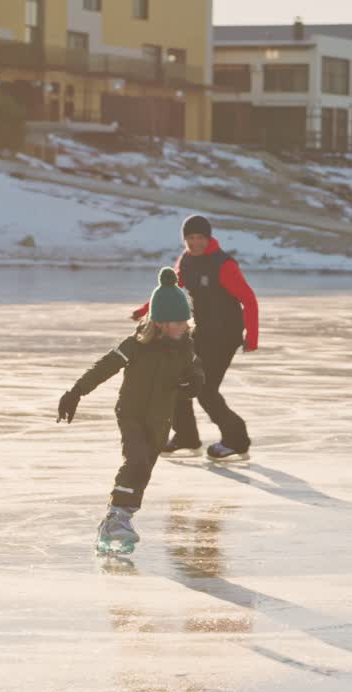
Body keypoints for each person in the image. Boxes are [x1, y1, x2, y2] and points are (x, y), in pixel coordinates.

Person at [59, 267, 204, 553]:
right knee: (135, 460)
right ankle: (116, 518)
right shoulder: (136, 345)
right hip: (132, 414)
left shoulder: (185, 347)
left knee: (144, 470)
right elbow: (105, 367)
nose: (186, 326)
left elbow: (196, 375)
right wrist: (76, 392)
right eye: (180, 321)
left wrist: (194, 384)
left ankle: (121, 519)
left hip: (161, 419)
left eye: (186, 321)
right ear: (161, 322)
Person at [131, 215, 258, 462]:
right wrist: (144, 310)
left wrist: (251, 337)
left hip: (225, 335)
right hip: (200, 333)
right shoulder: (187, 260)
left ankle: (237, 440)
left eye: (200, 237)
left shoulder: (223, 264)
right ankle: (187, 437)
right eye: (190, 238)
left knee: (206, 391)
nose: (195, 242)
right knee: (177, 384)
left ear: (208, 238)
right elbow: (171, 289)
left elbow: (249, 299)